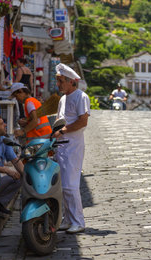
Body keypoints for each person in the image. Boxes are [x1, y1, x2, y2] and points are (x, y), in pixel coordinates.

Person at [52, 63, 90, 234]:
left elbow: (83, 121)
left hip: (73, 146)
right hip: (61, 146)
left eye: (61, 81)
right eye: (58, 81)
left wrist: (63, 131)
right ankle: (67, 219)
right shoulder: (63, 99)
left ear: (71, 82)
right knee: (62, 185)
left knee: (70, 185)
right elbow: (60, 120)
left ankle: (78, 221)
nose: (58, 85)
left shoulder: (81, 97)